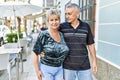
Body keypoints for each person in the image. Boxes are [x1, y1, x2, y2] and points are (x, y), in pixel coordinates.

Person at [59, 3, 98, 80]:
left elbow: (91, 45)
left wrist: (94, 61)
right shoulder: (62, 27)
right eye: (66, 14)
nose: (67, 16)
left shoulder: (86, 26)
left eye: (69, 14)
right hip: (68, 66)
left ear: (77, 14)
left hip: (84, 65)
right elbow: (52, 37)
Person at [32, 8, 69, 80]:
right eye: (51, 20)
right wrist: (37, 71)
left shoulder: (61, 34)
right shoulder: (44, 35)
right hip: (46, 69)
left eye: (56, 19)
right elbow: (35, 53)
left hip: (59, 69)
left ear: (59, 21)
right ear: (48, 21)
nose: (54, 22)